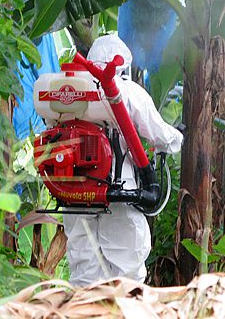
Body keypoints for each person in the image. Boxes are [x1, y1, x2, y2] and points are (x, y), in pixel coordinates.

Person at [63, 34, 183, 286]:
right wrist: (177, 137)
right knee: (127, 261)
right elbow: (158, 133)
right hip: (119, 187)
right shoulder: (126, 91)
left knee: (84, 264)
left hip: (73, 186)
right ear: (120, 63)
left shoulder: (69, 90)